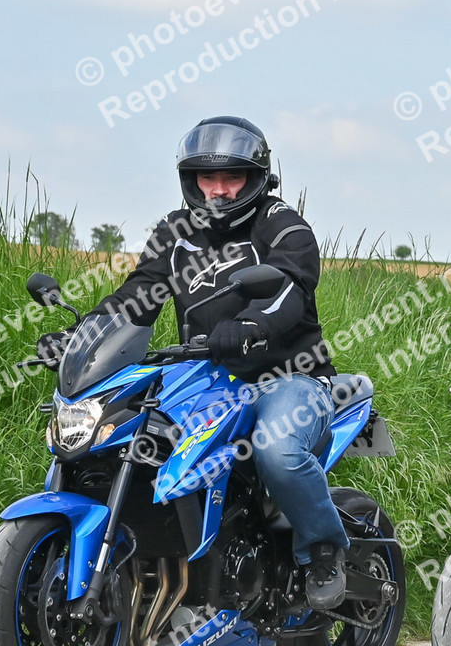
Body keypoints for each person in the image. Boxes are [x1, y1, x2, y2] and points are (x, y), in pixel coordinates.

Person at [35, 115, 352, 610]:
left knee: (276, 451)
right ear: (191, 179)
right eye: (208, 177)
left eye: (232, 177)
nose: (219, 190)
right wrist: (82, 338)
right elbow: (138, 296)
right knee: (129, 436)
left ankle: (324, 552)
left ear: (257, 177)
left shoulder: (283, 226)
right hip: (205, 376)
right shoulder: (176, 232)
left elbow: (289, 289)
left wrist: (250, 326)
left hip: (289, 378)